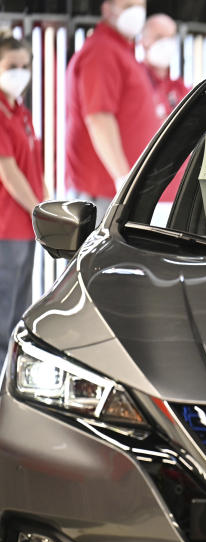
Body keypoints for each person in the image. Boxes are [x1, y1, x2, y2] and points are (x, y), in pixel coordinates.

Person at [66, 0, 162, 222]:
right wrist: (123, 179)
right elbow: (98, 118)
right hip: (103, 195)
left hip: (115, 194)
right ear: (107, 9)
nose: (136, 12)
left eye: (140, 5)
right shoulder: (102, 51)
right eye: (128, 5)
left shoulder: (122, 50)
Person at [0, 35, 46, 363]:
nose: (20, 73)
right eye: (11, 67)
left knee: (19, 312)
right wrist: (39, 210)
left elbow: (32, 168)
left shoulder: (20, 112)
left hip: (25, 227)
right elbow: (9, 172)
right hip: (6, 228)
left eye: (25, 66)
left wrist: (45, 207)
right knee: (3, 316)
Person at [141, 13, 188, 118]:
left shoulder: (179, 88)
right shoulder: (134, 82)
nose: (166, 44)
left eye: (170, 37)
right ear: (143, 42)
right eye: (159, 37)